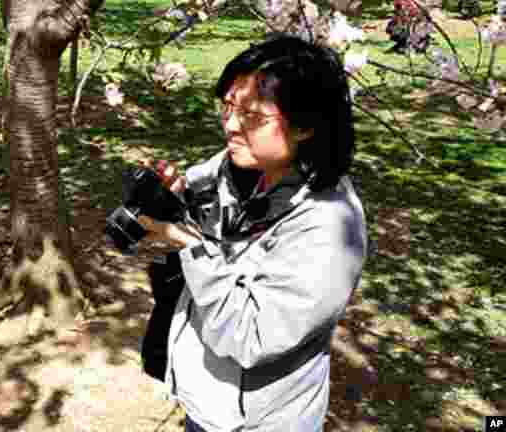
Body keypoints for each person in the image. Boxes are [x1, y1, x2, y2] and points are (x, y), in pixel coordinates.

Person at [136, 34, 367, 432]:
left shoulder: (328, 225)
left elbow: (251, 337)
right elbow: (202, 196)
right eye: (227, 107)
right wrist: (175, 197)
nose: (230, 126)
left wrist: (188, 243)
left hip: (259, 422)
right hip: (209, 401)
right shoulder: (242, 165)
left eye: (253, 116)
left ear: (305, 127)